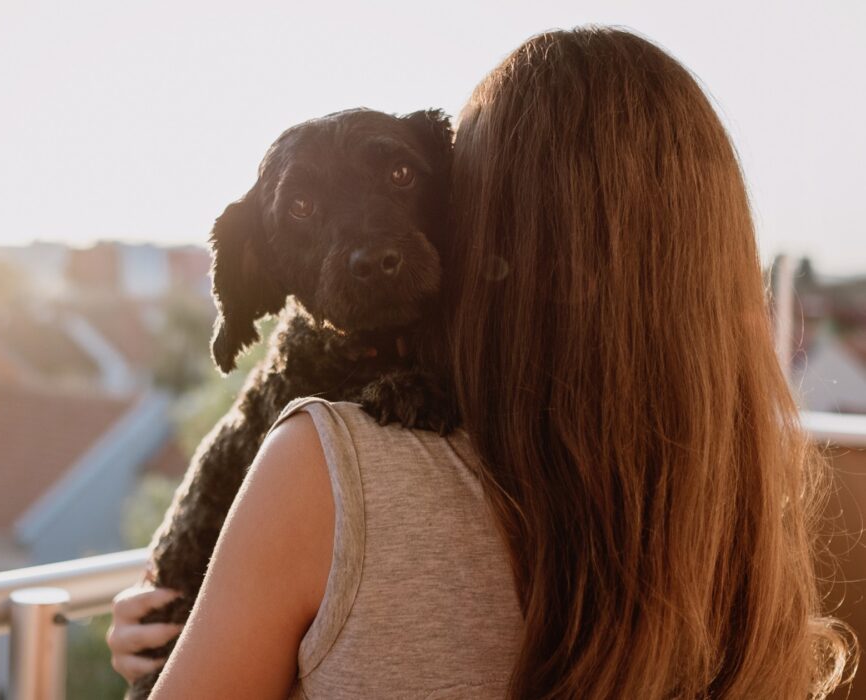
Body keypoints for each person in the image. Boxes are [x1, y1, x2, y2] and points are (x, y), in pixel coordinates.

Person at [108, 26, 856, 698]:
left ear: (486, 228)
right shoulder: (746, 494)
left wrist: (209, 627)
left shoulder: (324, 468)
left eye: (413, 182)